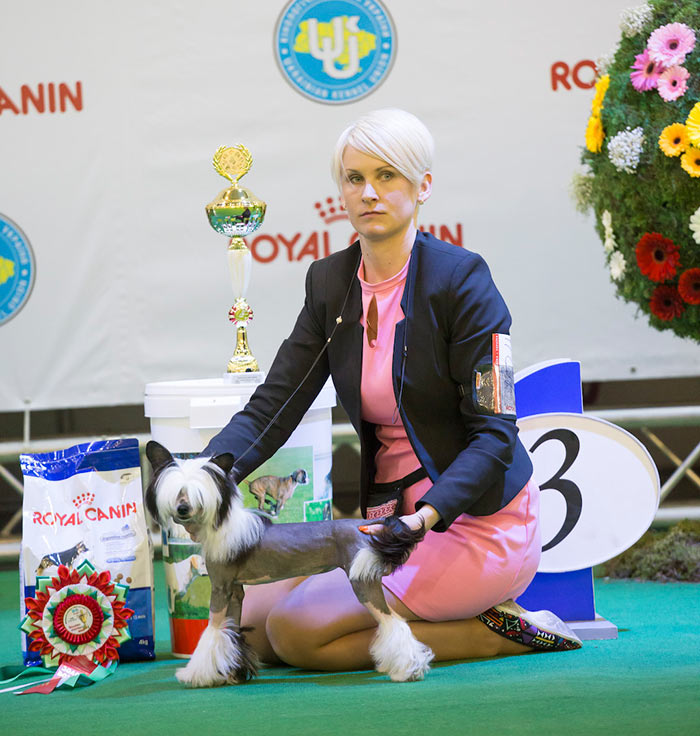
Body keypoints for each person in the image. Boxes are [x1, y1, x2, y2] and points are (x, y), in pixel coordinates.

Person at [201, 108, 581, 670]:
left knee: (295, 632)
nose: (369, 193)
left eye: (387, 176)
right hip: (388, 522)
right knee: (252, 625)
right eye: (354, 178)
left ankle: (497, 632)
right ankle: (433, 618)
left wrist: (423, 518)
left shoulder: (464, 280)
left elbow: (496, 435)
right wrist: (205, 472)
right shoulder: (329, 283)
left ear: (422, 186)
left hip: (473, 523)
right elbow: (273, 405)